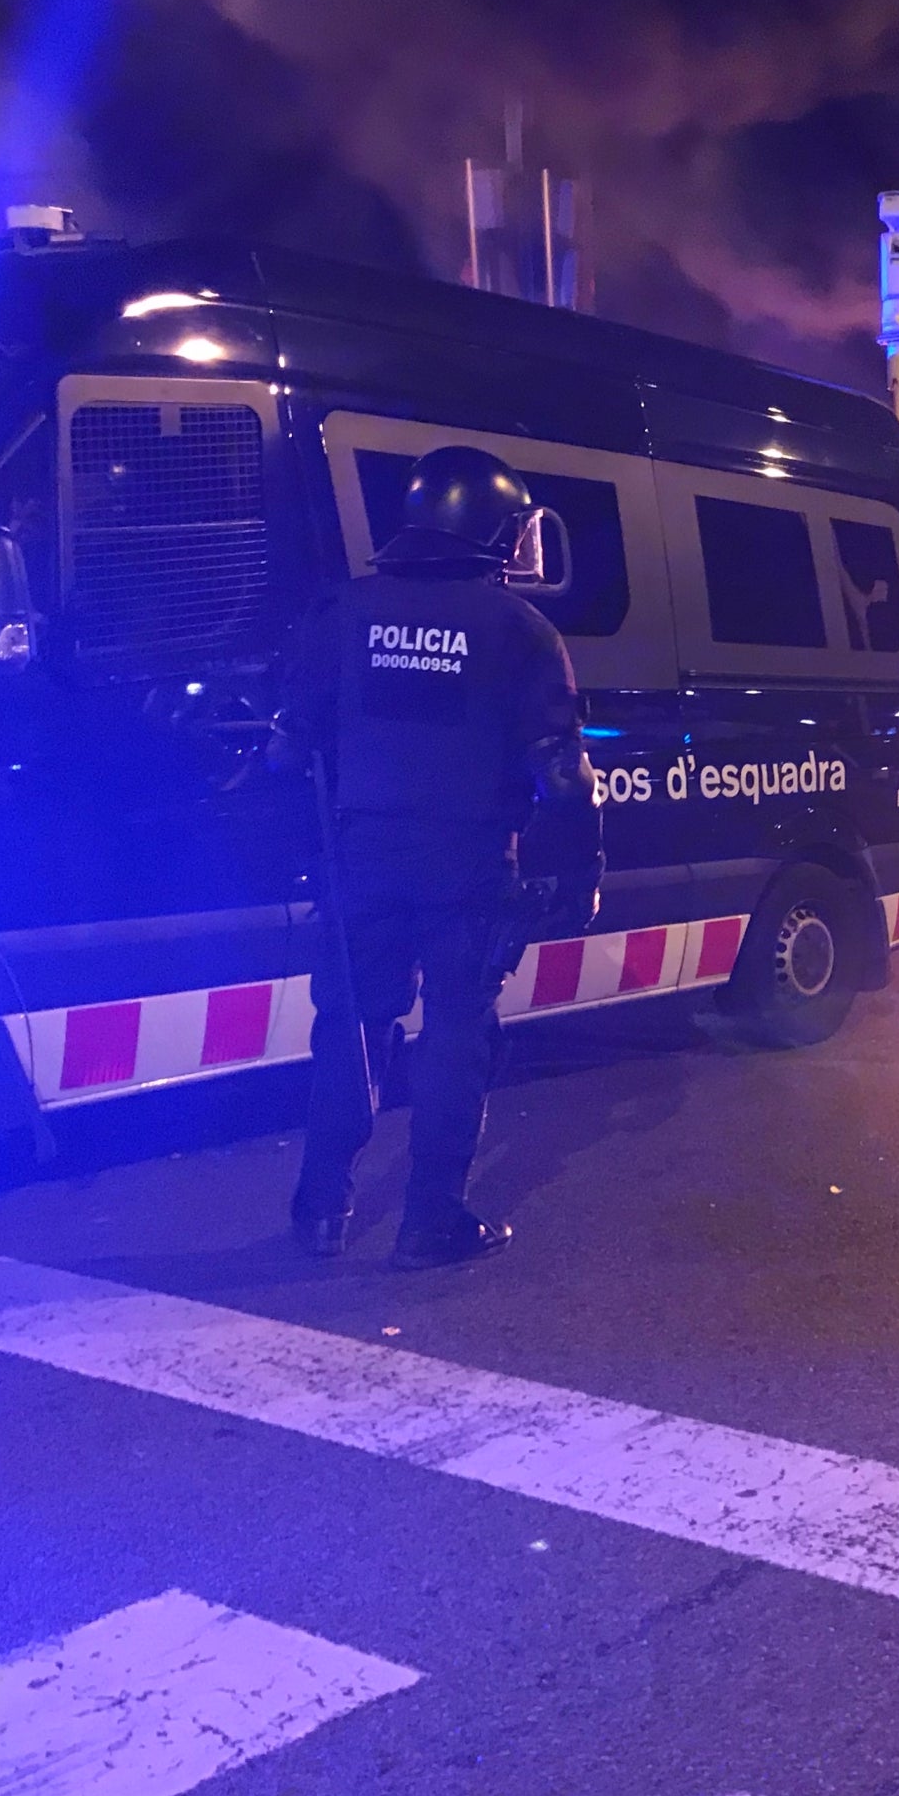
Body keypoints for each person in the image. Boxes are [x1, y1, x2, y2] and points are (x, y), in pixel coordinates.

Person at [273, 447, 602, 1266]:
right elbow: (563, 772)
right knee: (458, 1038)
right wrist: (580, 876)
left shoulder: (341, 612)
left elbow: (288, 751)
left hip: (364, 861)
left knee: (351, 1030)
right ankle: (430, 1223)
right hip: (466, 869)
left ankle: (320, 1210)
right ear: (488, 526)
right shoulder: (520, 630)